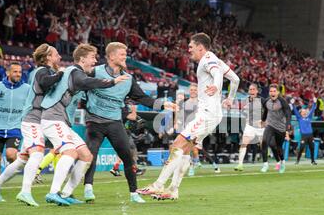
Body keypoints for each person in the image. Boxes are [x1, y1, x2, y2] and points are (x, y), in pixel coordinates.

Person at [138, 33, 239, 200]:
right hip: (209, 113)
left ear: (201, 47)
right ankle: (173, 190)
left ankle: (158, 185)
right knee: (185, 149)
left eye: (191, 47)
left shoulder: (208, 58)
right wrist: (230, 98)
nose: (189, 50)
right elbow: (235, 79)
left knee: (177, 144)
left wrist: (215, 86)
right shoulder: (214, 60)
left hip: (207, 113)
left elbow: (218, 75)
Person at [83, 42, 175, 204]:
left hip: (114, 122)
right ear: (111, 56)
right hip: (94, 121)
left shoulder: (128, 79)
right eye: (121, 54)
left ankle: (134, 193)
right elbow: (80, 87)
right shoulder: (94, 72)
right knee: (91, 154)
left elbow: (142, 98)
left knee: (127, 157)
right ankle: (88, 188)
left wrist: (163, 105)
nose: (125, 57)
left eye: (125, 55)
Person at [41, 44, 128, 206]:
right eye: (92, 58)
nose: (95, 61)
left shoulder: (74, 73)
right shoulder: (75, 72)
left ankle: (66, 193)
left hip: (61, 121)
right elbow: (88, 82)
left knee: (86, 156)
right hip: (53, 118)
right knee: (70, 152)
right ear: (82, 59)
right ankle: (53, 192)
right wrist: (113, 81)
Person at [0, 44, 63, 206]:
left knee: (21, 158)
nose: (59, 57)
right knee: (37, 154)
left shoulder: (33, 78)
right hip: (31, 120)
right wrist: (62, 73)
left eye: (20, 72)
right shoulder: (41, 72)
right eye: (56, 54)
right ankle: (25, 191)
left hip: (26, 122)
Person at [0, 62, 30, 183]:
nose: (18, 74)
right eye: (15, 71)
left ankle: (24, 171)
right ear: (8, 73)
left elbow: (32, 106)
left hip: (15, 128)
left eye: (20, 72)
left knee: (11, 155)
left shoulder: (27, 89)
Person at [260, 84, 292, 173]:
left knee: (279, 148)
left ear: (278, 92)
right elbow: (265, 112)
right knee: (264, 141)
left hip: (281, 128)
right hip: (270, 125)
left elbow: (288, 115)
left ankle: (282, 162)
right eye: (271, 91)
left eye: (274, 91)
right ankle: (265, 164)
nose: (272, 93)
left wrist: (287, 130)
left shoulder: (282, 102)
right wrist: (262, 121)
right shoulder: (266, 101)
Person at [235, 84, 265, 171]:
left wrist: (263, 120)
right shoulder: (245, 101)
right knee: (244, 143)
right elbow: (243, 112)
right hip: (250, 126)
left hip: (260, 127)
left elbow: (268, 111)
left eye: (253, 89)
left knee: (263, 146)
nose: (251, 91)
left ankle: (266, 164)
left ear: (257, 91)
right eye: (250, 89)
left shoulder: (262, 100)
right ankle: (240, 164)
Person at [109, 104, 146, 177]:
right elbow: (133, 117)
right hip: (122, 132)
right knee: (133, 150)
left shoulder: (114, 108)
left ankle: (115, 168)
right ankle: (135, 169)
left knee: (122, 151)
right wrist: (134, 109)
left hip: (116, 131)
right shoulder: (121, 108)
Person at [292, 96, 317, 165]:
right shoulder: (299, 118)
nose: (305, 112)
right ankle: (297, 160)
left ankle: (313, 161)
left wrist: (314, 103)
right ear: (301, 113)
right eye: (303, 112)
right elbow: (295, 110)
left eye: (305, 111)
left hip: (310, 135)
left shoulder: (309, 117)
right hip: (304, 135)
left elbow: (312, 110)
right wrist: (292, 104)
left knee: (312, 147)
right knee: (302, 148)